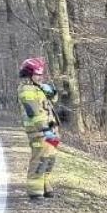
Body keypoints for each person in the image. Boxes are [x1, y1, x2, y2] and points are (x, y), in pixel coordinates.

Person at [16, 57, 61, 200]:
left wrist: (52, 91)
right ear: (29, 74)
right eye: (38, 74)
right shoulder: (27, 89)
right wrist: (44, 129)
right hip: (39, 132)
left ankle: (45, 186)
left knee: (50, 158)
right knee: (40, 159)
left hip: (51, 131)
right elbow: (33, 112)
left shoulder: (37, 87)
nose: (41, 77)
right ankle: (35, 192)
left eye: (41, 74)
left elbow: (52, 100)